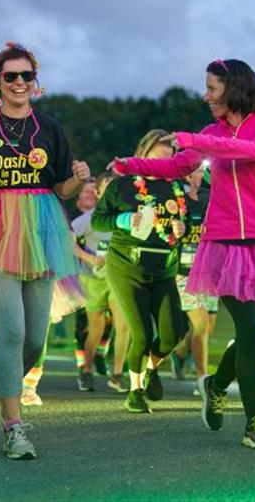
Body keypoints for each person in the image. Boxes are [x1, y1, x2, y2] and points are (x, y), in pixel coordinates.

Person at [113, 59, 255, 449]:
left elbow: (252, 151)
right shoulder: (210, 132)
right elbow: (175, 166)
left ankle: (216, 384)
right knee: (246, 328)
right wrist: (130, 165)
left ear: (234, 88)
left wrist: (198, 140)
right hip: (224, 244)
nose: (206, 96)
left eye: (212, 89)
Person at [0, 42, 90, 459]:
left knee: (36, 339)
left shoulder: (51, 128)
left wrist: (78, 180)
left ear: (34, 82)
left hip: (42, 228)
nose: (20, 82)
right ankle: (13, 424)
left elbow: (62, 187)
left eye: (26, 75)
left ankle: (7, 385)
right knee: (11, 329)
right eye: (11, 76)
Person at [93, 130, 188, 413]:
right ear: (143, 152)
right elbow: (99, 220)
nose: (167, 158)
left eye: (171, 153)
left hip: (163, 267)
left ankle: (150, 368)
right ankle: (134, 391)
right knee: (142, 334)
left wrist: (180, 229)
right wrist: (123, 219)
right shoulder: (123, 186)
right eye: (161, 152)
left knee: (174, 332)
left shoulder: (175, 188)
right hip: (127, 266)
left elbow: (177, 225)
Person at [73, 172, 130, 394]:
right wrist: (90, 258)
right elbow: (68, 242)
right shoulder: (88, 219)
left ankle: (117, 374)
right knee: (95, 330)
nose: (111, 191)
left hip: (118, 276)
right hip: (93, 278)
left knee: (123, 324)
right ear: (97, 193)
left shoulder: (125, 216)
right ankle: (86, 370)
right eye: (106, 186)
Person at [170, 165, 217, 388]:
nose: (204, 176)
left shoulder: (215, 202)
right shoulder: (178, 202)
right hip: (184, 273)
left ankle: (179, 353)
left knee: (208, 328)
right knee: (201, 325)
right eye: (198, 171)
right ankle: (203, 379)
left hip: (211, 273)